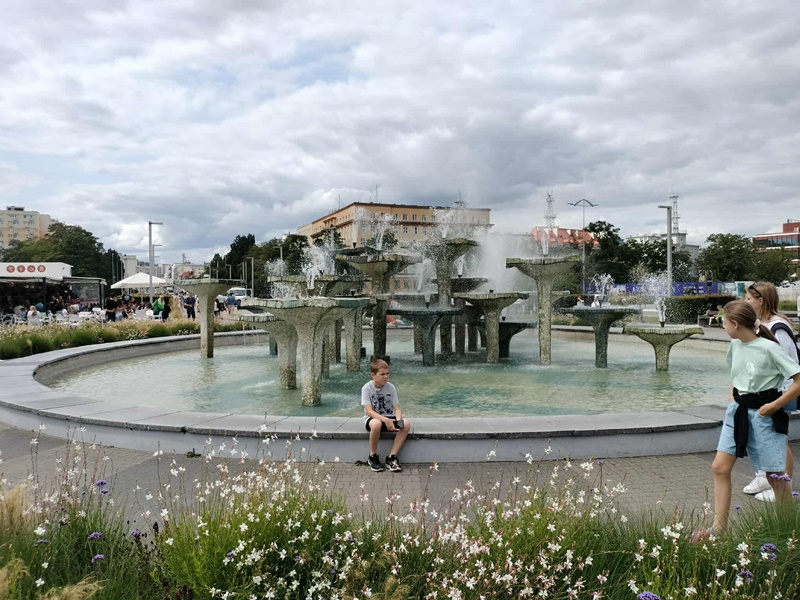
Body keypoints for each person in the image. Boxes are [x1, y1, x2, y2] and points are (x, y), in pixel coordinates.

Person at [698, 300, 800, 539]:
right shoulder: (735, 345)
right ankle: (719, 529)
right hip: (738, 412)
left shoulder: (769, 348)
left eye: (724, 323)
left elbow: (798, 381)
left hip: (765, 415)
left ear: (735, 324)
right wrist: (733, 398)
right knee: (719, 467)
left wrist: (774, 406)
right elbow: (735, 375)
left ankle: (788, 531)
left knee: (775, 477)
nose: (723, 327)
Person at [742, 282, 800, 502]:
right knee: (766, 437)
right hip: (766, 392)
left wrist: (779, 396)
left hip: (781, 392)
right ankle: (766, 477)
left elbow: (787, 363)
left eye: (749, 299)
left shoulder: (778, 327)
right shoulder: (763, 324)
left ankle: (785, 487)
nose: (746, 302)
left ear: (761, 301)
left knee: (779, 439)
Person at [361, 358, 410, 473]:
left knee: (406, 424)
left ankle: (391, 457)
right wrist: (386, 420)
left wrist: (398, 420)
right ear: (373, 375)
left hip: (389, 418)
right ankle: (373, 456)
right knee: (376, 424)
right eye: (382, 374)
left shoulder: (391, 387)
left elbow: (397, 408)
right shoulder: (366, 388)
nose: (386, 377)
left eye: (387, 374)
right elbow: (369, 411)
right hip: (373, 419)